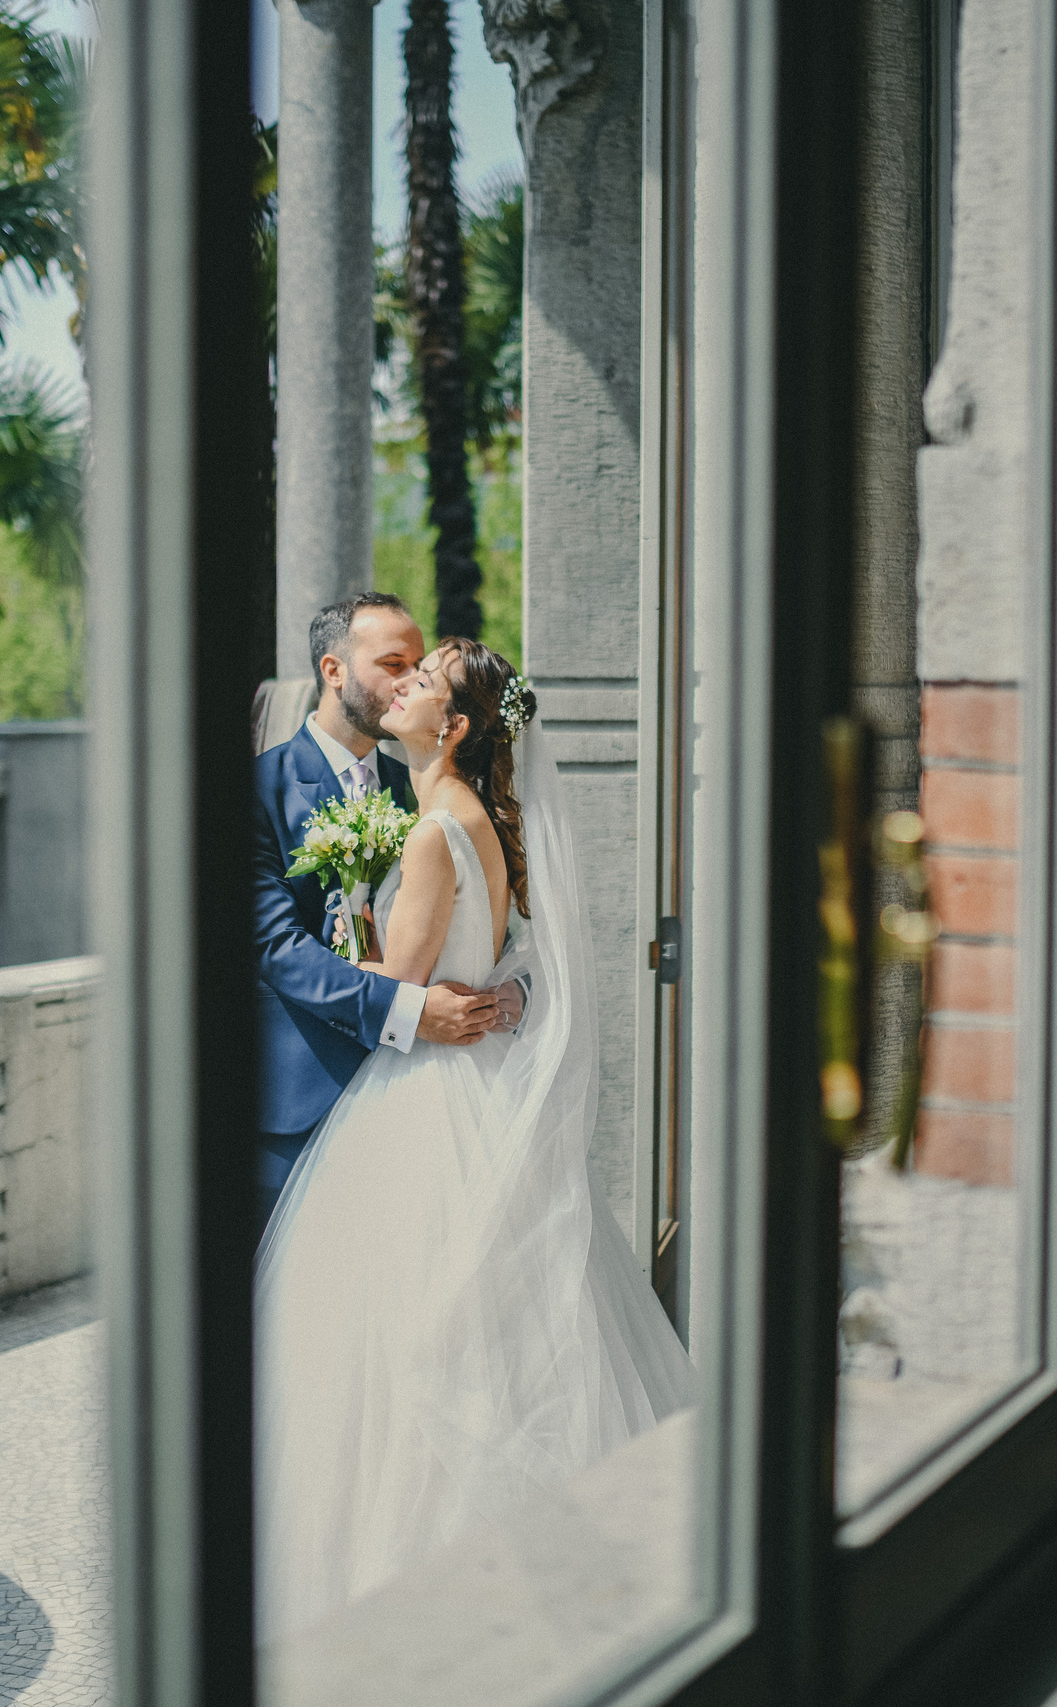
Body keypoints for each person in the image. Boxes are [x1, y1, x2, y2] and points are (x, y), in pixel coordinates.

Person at [252, 637, 695, 1644]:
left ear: (450, 727)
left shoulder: (428, 832)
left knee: (400, 1338)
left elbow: (402, 979)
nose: (402, 685)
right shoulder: (481, 819)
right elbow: (501, 954)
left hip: (425, 1094)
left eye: (421, 682)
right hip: (476, 1084)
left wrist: (354, 929)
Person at [253, 593, 521, 1229]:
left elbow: (487, 918)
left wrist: (508, 992)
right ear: (334, 670)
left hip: (417, 1100)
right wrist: (409, 1010)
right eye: (393, 665)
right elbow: (275, 946)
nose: (407, 682)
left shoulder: (423, 787)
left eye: (417, 668)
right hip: (301, 1098)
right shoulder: (262, 788)